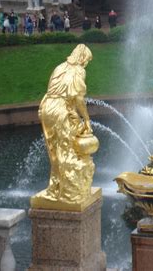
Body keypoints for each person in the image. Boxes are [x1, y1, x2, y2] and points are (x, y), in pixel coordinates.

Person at [38, 44, 95, 203]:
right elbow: (78, 98)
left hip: (47, 107)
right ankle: (70, 193)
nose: (86, 64)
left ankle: (56, 188)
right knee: (66, 149)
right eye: (87, 61)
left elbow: (50, 91)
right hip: (60, 110)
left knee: (54, 150)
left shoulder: (60, 67)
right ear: (83, 58)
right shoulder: (78, 70)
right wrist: (86, 119)